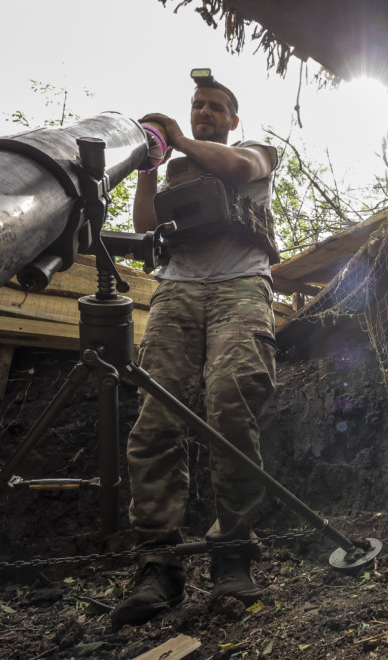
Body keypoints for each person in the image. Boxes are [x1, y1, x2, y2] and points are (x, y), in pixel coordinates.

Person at [111, 72, 281, 628]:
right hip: (178, 290)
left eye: (214, 107)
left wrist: (179, 137)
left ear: (233, 119)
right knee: (157, 419)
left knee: (231, 405)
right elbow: (144, 226)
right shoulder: (177, 172)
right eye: (197, 106)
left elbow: (234, 168)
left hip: (241, 286)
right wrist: (148, 168)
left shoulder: (255, 153)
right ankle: (158, 564)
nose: (204, 112)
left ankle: (232, 554)